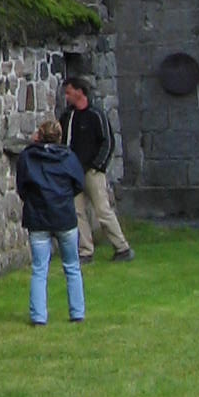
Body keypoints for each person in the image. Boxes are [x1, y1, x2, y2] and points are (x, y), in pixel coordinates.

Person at [14, 118, 87, 326]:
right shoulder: (68, 157)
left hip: (38, 217)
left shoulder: (28, 157)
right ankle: (77, 312)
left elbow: (22, 186)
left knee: (39, 268)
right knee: (72, 266)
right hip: (64, 216)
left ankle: (38, 316)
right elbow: (78, 183)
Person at [62, 76, 134, 262]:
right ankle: (85, 251)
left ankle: (122, 247)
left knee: (103, 210)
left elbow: (107, 142)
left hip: (92, 171)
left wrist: (97, 166)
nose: (66, 96)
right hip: (73, 171)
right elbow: (63, 142)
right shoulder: (68, 117)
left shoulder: (96, 115)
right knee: (77, 213)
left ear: (79, 91)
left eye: (69, 92)